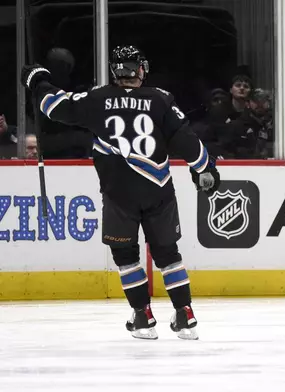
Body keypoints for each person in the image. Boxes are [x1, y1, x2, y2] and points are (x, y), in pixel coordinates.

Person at [20, 45, 221, 339]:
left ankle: (142, 317)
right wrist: (205, 168)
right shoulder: (161, 99)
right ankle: (185, 315)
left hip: (119, 193)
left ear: (116, 71)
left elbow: (53, 106)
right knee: (168, 254)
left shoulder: (98, 98)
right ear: (140, 69)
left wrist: (38, 80)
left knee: (126, 255)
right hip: (159, 190)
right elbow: (187, 140)